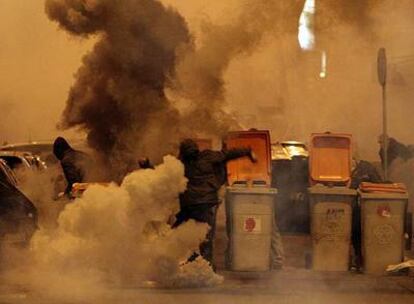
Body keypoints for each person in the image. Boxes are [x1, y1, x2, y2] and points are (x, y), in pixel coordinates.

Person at [173, 139, 257, 269]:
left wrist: (146, 165)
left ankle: (190, 263)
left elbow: (161, 175)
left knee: (181, 233)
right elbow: (228, 154)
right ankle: (205, 267)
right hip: (206, 204)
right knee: (206, 237)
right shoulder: (207, 157)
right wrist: (247, 151)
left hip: (189, 205)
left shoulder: (180, 164)